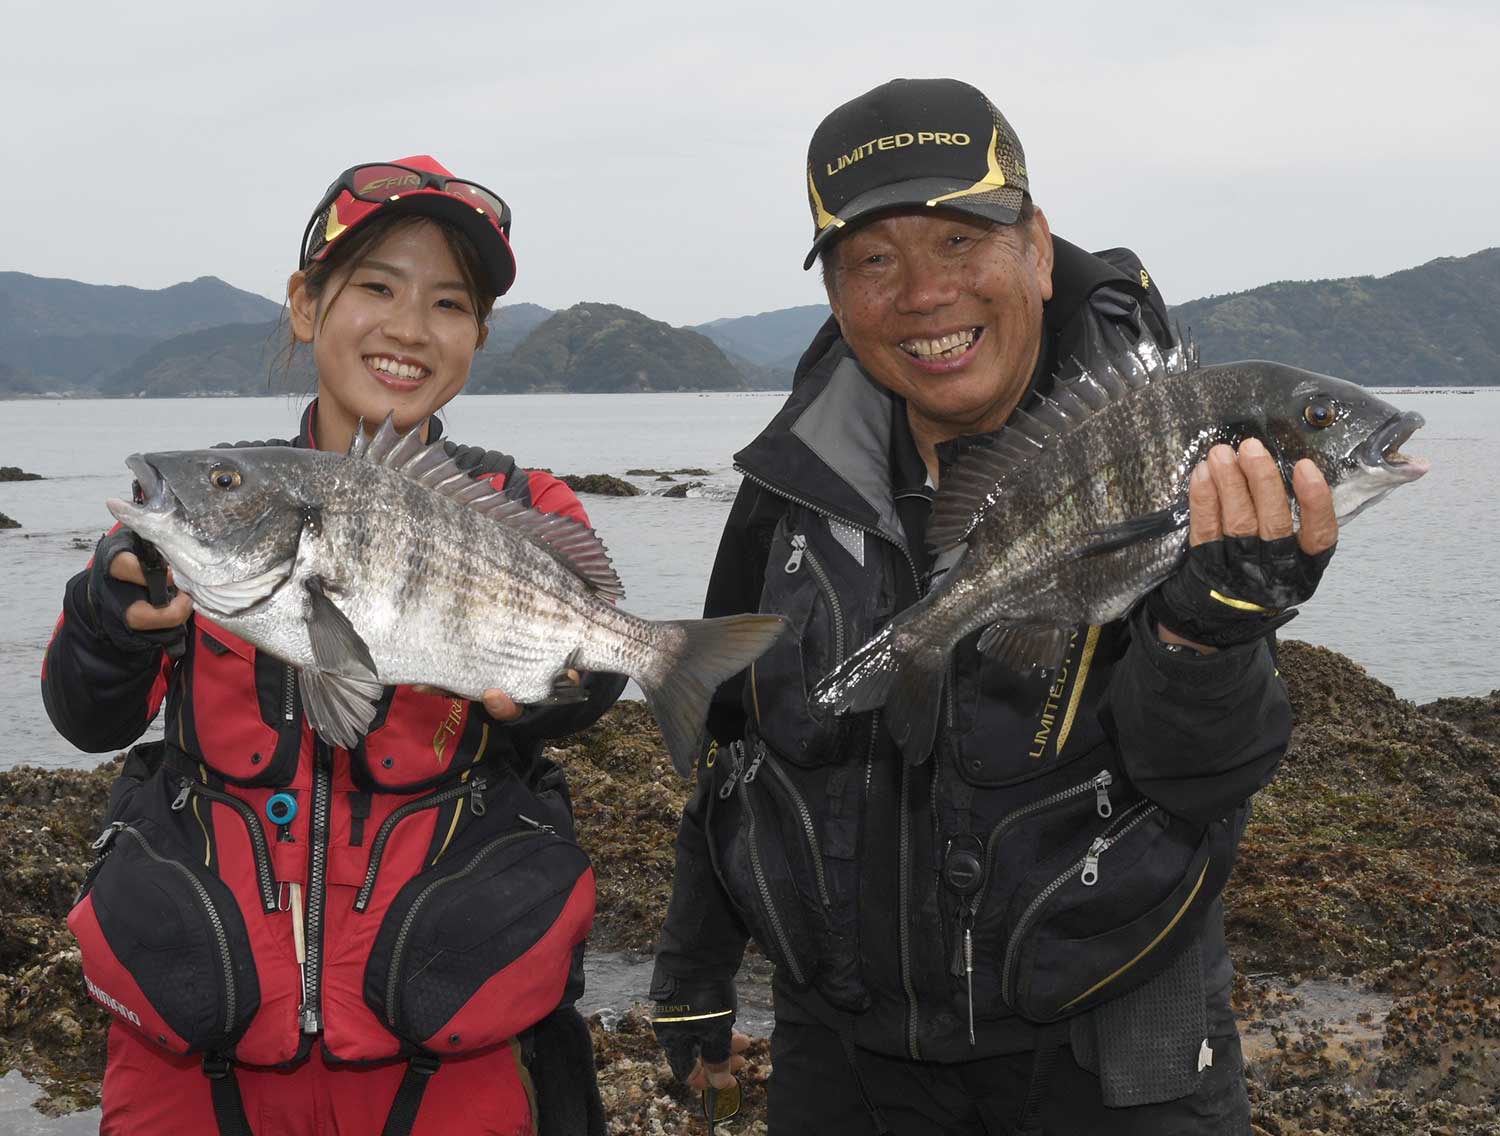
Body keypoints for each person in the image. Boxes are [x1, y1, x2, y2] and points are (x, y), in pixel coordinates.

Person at [650, 79, 1338, 1134]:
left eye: (962, 240)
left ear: (1039, 245)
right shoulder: (790, 485)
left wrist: (1207, 633)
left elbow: (1204, 780)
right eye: (874, 259)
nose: (924, 293)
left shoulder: (1187, 457)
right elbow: (733, 744)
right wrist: (693, 971)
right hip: (843, 1057)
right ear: (836, 293)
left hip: (1114, 1061)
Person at [43, 156, 623, 1136]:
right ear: (306, 305)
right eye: (376, 287)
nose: (408, 325)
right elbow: (84, 714)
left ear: (478, 337)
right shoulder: (211, 505)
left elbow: (591, 665)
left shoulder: (527, 509)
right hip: (203, 1056)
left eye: (448, 302)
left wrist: (565, 690)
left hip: (448, 1055)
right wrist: (109, 618)